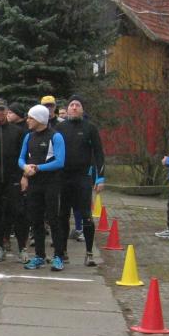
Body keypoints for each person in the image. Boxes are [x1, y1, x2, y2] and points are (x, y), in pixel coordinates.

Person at [56, 95, 105, 267]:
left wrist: (100, 178)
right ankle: (62, 252)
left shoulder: (90, 128)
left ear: (82, 109)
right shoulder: (59, 127)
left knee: (86, 216)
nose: (74, 107)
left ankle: (89, 253)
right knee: (63, 216)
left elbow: (99, 153)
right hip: (63, 178)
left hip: (83, 177)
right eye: (72, 105)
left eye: (78, 105)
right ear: (67, 109)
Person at [19, 104, 66, 271]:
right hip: (34, 184)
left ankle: (59, 256)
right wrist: (25, 167)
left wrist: (38, 168)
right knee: (36, 220)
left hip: (51, 184)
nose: (28, 120)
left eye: (31, 118)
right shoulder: (29, 136)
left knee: (53, 219)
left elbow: (60, 161)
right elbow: (21, 158)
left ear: (39, 119)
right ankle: (39, 256)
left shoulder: (56, 136)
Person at [0, 99, 28, 264]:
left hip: (13, 179)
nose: (0, 112)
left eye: (3, 109)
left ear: (7, 111)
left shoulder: (17, 131)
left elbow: (24, 155)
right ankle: (0, 246)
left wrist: (24, 176)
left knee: (18, 212)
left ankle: (22, 248)